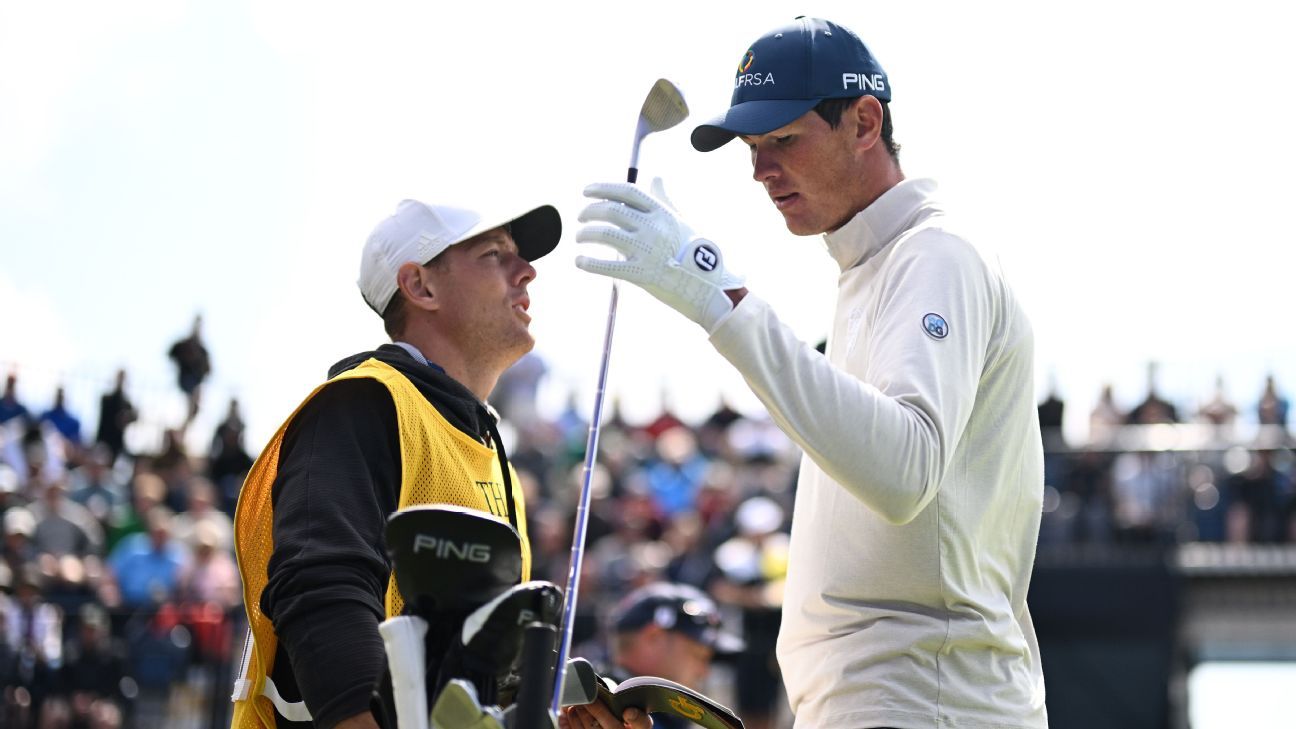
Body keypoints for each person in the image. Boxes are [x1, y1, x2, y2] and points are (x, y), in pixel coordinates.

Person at [575, 16, 1047, 728]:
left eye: (784, 140)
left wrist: (717, 293)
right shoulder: (876, 266)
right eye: (753, 148)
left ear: (865, 123)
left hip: (929, 702)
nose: (761, 170)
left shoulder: (935, 254)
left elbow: (905, 471)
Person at [229, 196, 595, 729]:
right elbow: (322, 593)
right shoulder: (360, 402)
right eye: (495, 254)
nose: (527, 271)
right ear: (420, 287)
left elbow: (473, 668)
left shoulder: (492, 452)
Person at [603, 582, 744, 729]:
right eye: (699, 655)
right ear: (653, 638)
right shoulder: (594, 708)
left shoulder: (667, 717)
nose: (704, 672)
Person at [168, 314, 211, 425]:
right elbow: (171, 353)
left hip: (195, 383)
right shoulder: (184, 345)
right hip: (185, 381)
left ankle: (184, 426)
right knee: (191, 402)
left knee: (194, 402)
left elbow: (208, 369)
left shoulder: (202, 351)